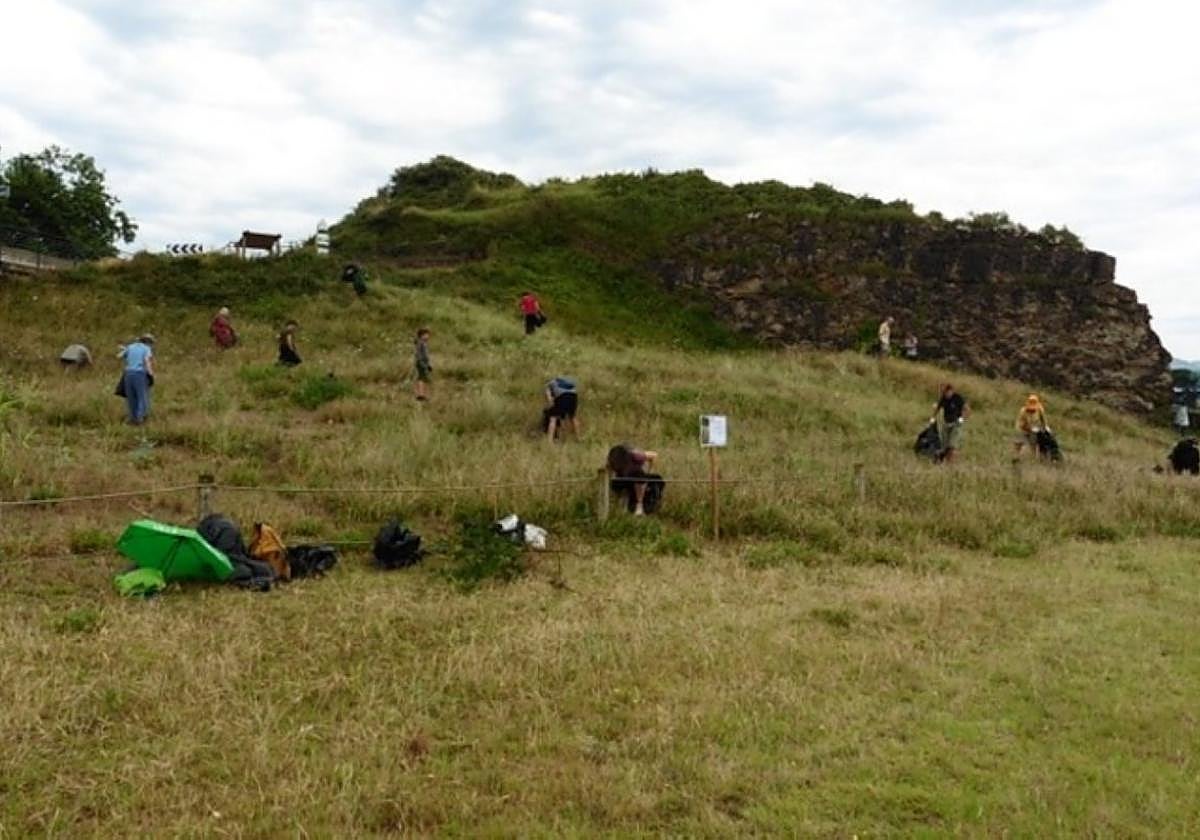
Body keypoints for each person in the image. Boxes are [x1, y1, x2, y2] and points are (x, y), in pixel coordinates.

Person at [607, 444, 660, 516]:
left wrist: (649, 471)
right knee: (617, 484)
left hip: (637, 476)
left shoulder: (636, 456)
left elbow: (654, 455)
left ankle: (639, 506)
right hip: (623, 477)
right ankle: (619, 508)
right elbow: (608, 470)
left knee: (640, 480)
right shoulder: (613, 458)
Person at [120, 333, 156, 425]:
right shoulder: (146, 348)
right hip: (140, 373)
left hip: (128, 373)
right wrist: (150, 374)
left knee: (131, 396)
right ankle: (140, 418)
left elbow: (121, 356)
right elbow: (147, 361)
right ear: (148, 342)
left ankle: (132, 417)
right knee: (142, 396)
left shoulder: (130, 347)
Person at [929, 383, 969, 462]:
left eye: (947, 392)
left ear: (951, 391)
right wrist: (933, 418)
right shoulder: (943, 398)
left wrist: (962, 419)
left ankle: (951, 464)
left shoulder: (958, 398)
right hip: (946, 424)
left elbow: (967, 410)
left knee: (952, 445)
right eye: (945, 393)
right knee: (945, 446)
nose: (946, 394)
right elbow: (937, 408)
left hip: (956, 424)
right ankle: (945, 461)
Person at [542, 376, 579, 442]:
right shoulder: (563, 381)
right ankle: (578, 437)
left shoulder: (549, 385)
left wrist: (551, 406)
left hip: (562, 396)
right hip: (574, 396)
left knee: (553, 418)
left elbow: (549, 399)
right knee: (573, 417)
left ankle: (549, 441)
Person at [1014, 394, 1049, 459]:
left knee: (1034, 443)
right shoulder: (1023, 411)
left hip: (1034, 428)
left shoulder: (1040, 409)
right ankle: (1016, 457)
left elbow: (1043, 419)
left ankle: (1034, 458)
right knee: (1019, 442)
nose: (1032, 411)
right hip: (1023, 428)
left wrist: (1045, 427)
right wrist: (1030, 429)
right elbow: (1021, 425)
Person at [413, 328, 432, 401]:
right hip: (421, 362)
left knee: (424, 378)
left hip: (424, 363)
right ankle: (421, 394)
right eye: (426, 335)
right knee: (421, 378)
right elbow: (418, 354)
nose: (428, 336)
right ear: (421, 335)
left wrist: (428, 364)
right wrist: (423, 363)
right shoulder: (420, 343)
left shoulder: (423, 343)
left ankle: (422, 394)